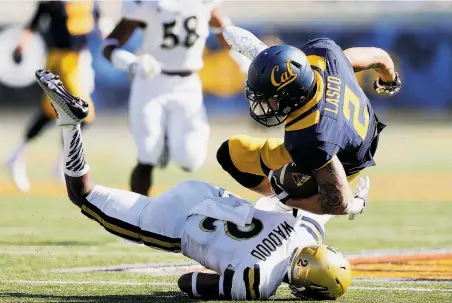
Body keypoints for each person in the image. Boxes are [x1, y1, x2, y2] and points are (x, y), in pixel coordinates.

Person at [34, 69, 357, 301]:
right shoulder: (257, 283)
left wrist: (354, 200)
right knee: (84, 195)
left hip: (206, 194)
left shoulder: (311, 230)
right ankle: (70, 124)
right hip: (175, 224)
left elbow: (325, 199)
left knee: (282, 191)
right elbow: (187, 282)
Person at [216, 26, 401, 218]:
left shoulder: (312, 138)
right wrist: (389, 80)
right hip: (354, 128)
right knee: (234, 152)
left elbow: (338, 203)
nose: (264, 104)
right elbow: (381, 57)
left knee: (279, 178)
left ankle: (281, 203)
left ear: (291, 95)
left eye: (270, 98)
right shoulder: (324, 56)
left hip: (343, 161)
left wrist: (287, 199)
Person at [101, 0, 244, 196]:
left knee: (190, 159)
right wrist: (131, 63)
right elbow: (109, 45)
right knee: (147, 154)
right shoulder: (145, 4)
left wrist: (241, 56)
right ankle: (136, 215)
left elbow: (224, 32)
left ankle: (167, 138)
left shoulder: (203, 3)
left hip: (187, 85)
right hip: (151, 83)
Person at [5, 0, 98, 192]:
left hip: (80, 59)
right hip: (62, 60)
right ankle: (60, 165)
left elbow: (97, 20)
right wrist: (22, 44)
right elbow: (35, 21)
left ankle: (20, 157)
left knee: (52, 113)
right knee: (82, 114)